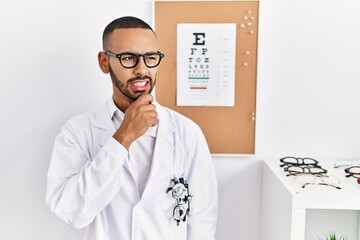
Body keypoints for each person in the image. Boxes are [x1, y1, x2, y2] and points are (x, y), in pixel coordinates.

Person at [46, 16, 218, 240]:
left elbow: (202, 221)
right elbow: (72, 212)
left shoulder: (187, 133)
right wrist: (123, 137)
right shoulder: (77, 132)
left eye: (150, 58)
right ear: (104, 62)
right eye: (128, 58)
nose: (142, 69)